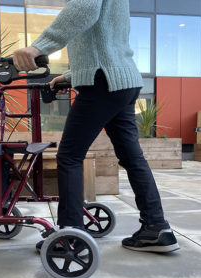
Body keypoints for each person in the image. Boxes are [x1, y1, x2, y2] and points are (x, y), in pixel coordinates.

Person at [12, 0, 179, 253]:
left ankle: (70, 235)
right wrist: (69, 76)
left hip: (103, 83)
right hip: (122, 81)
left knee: (69, 156)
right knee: (133, 158)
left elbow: (83, 9)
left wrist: (38, 46)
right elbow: (105, 38)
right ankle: (156, 227)